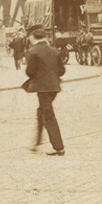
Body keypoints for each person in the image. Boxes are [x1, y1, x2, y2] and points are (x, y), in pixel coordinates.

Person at [24, 27, 65, 156]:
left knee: (47, 115)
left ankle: (58, 147)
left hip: (42, 88)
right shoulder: (54, 51)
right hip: (54, 87)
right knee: (41, 111)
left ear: (33, 37)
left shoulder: (33, 51)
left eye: (29, 37)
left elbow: (29, 71)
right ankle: (36, 144)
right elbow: (62, 70)